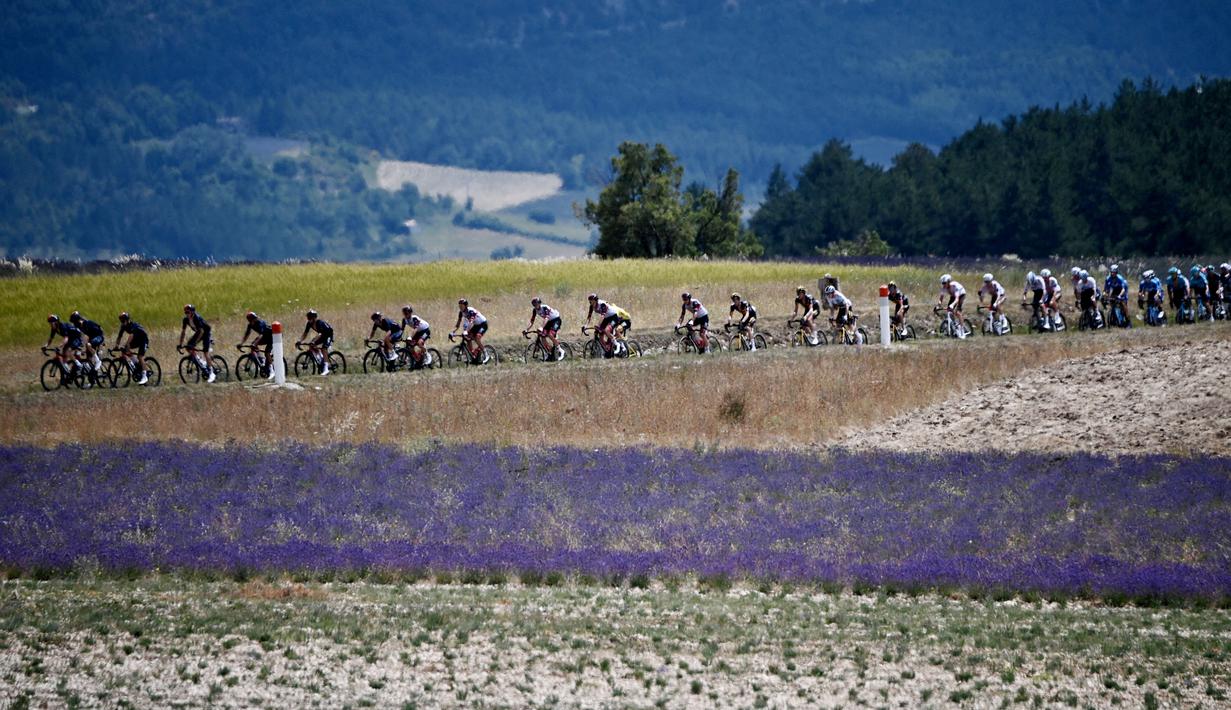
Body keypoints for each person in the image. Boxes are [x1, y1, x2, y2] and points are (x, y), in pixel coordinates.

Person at [178, 304, 215, 382]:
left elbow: (202, 331)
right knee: (188, 347)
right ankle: (201, 362)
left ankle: (211, 373)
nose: (186, 314)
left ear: (192, 312)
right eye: (185, 312)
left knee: (205, 352)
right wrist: (180, 344)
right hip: (198, 332)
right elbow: (183, 332)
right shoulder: (185, 320)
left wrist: (194, 343)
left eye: (188, 312)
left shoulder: (197, 318)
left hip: (205, 332)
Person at [115, 312, 151, 384]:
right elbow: (119, 337)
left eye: (123, 320)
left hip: (143, 340)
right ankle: (137, 365)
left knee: (140, 356)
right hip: (137, 339)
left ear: (127, 320)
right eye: (121, 321)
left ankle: (145, 376)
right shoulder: (123, 326)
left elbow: (131, 336)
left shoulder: (133, 325)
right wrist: (116, 346)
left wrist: (127, 344)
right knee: (125, 350)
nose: (122, 322)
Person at [297, 309, 334, 375]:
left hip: (328, 334)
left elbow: (320, 334)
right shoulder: (309, 324)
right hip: (322, 335)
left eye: (310, 318)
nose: (309, 319)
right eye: (308, 318)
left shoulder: (319, 323)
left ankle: (326, 369)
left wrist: (314, 341)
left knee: (324, 349)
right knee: (311, 345)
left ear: (314, 318)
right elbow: (305, 333)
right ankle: (321, 358)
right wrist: (299, 341)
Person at [239, 311, 275, 377]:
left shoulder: (260, 323)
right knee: (253, 344)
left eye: (255, 318)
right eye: (252, 319)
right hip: (265, 337)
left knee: (267, 352)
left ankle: (271, 369)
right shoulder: (250, 325)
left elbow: (261, 335)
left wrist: (255, 343)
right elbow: (246, 335)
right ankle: (261, 360)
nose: (255, 319)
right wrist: (241, 343)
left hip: (272, 337)